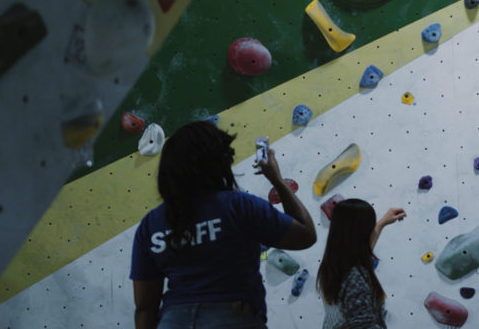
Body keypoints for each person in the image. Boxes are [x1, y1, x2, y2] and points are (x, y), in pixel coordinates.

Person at [129, 121, 317, 329]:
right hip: (233, 318)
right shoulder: (238, 206)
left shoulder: (151, 224)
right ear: (219, 162)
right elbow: (305, 235)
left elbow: (145, 308)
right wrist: (277, 180)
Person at [318, 199, 406, 329]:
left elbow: (360, 251)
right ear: (363, 232)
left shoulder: (333, 266)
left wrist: (381, 223)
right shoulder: (355, 276)